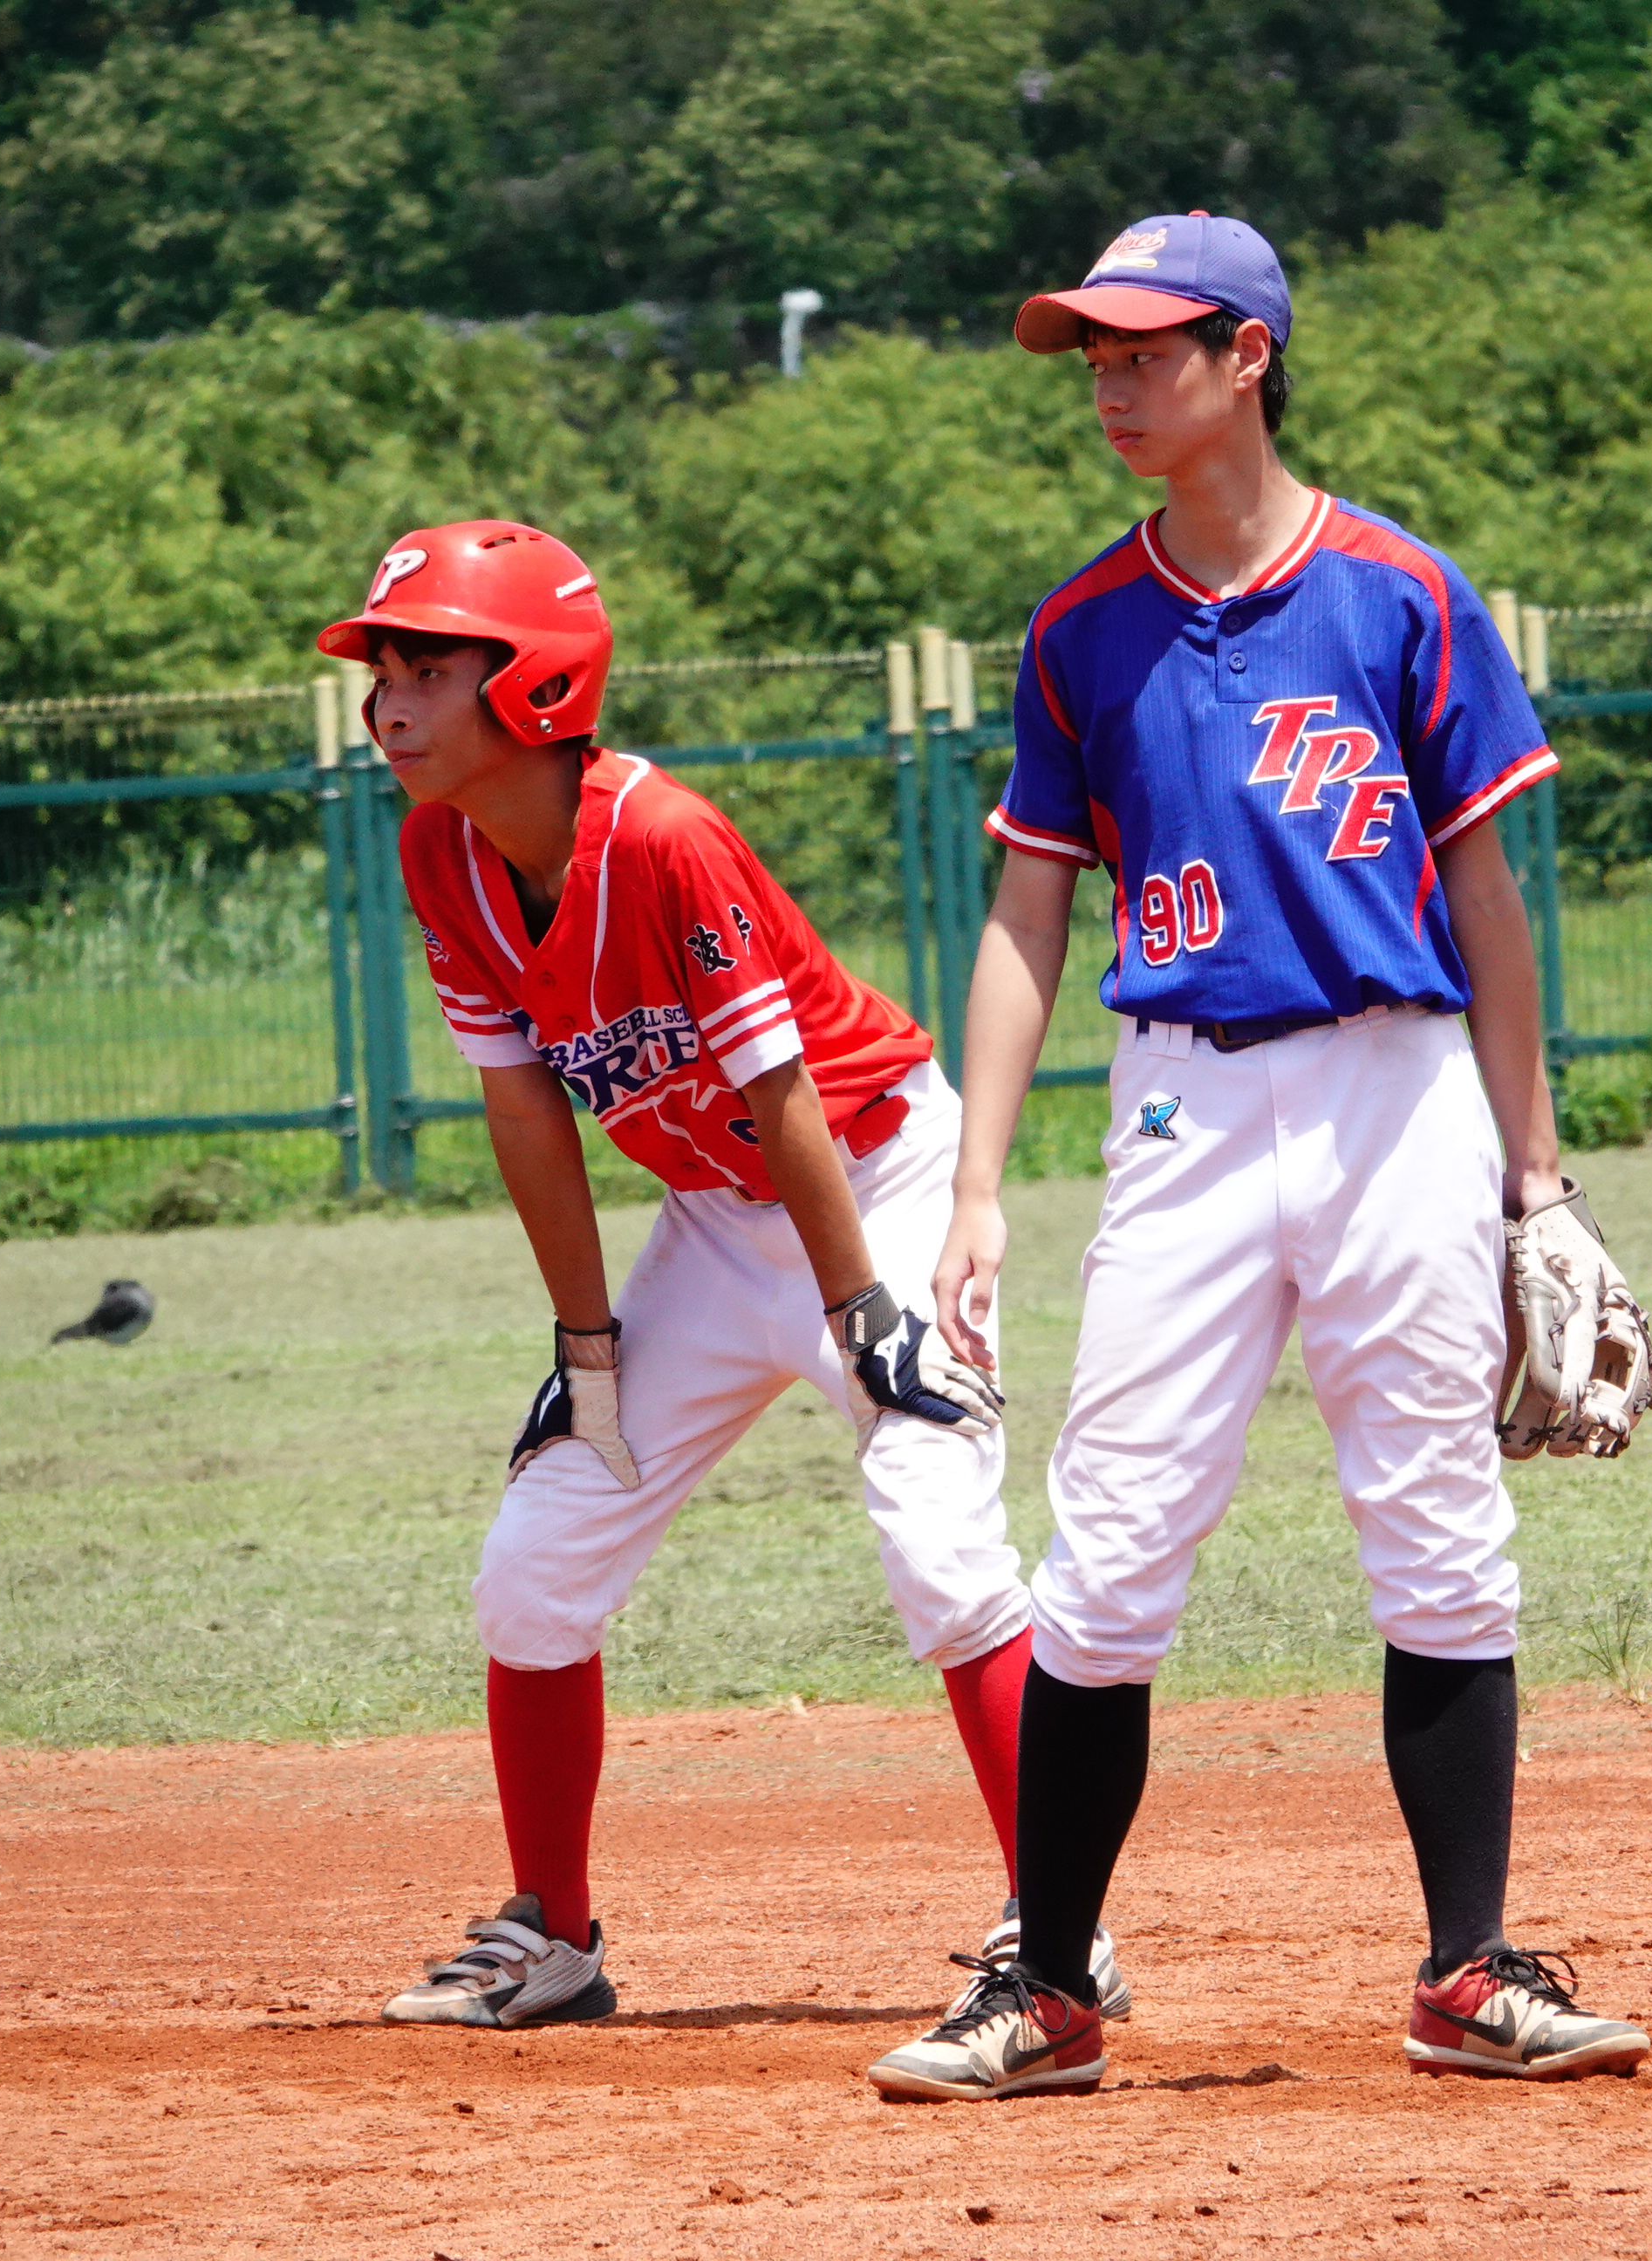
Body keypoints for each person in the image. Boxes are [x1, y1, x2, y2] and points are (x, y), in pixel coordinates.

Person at [863, 215, 1652, 2102]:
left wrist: (1537, 1176)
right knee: (1111, 1551)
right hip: (1184, 1106)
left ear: (1251, 357)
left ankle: (1467, 1972)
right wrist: (976, 1187)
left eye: (1146, 350)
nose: (1111, 384)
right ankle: (1050, 1988)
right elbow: (1028, 914)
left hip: (1400, 1090)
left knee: (1442, 1539)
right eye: (1095, 356)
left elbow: (1486, 894)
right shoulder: (1080, 628)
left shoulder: (1402, 592)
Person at [322, 521, 1130, 2031]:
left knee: (941, 1547)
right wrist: (587, 1344)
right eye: (386, 671)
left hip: (871, 1191)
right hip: (709, 1221)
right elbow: (526, 1113)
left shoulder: (663, 837)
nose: (388, 703)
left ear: (536, 685)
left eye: (429, 669)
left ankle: (1058, 1933)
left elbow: (784, 1093)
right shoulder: (443, 856)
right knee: (537, 1560)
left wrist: (865, 1310)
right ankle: (553, 1934)